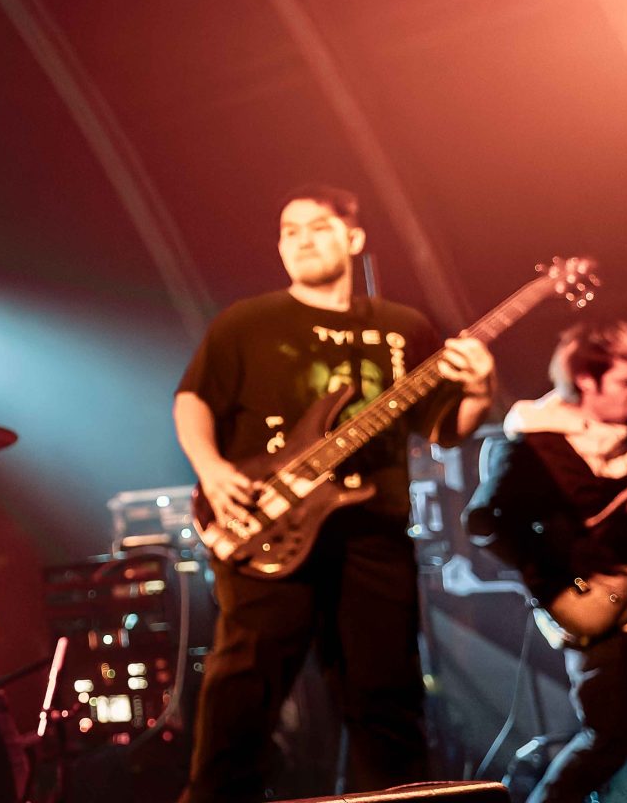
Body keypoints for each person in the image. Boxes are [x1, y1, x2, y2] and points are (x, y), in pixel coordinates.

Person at [173, 184, 495, 802]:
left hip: (372, 531)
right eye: (288, 231)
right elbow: (192, 400)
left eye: (317, 227)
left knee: (387, 699)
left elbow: (444, 428)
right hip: (267, 523)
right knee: (243, 693)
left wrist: (480, 390)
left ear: (353, 238)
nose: (301, 241)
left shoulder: (403, 327)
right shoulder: (247, 322)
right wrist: (211, 470)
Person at [465, 320, 627, 803]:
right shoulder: (533, 445)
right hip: (598, 609)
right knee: (609, 740)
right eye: (626, 382)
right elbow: (486, 524)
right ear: (586, 380)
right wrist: (556, 577)